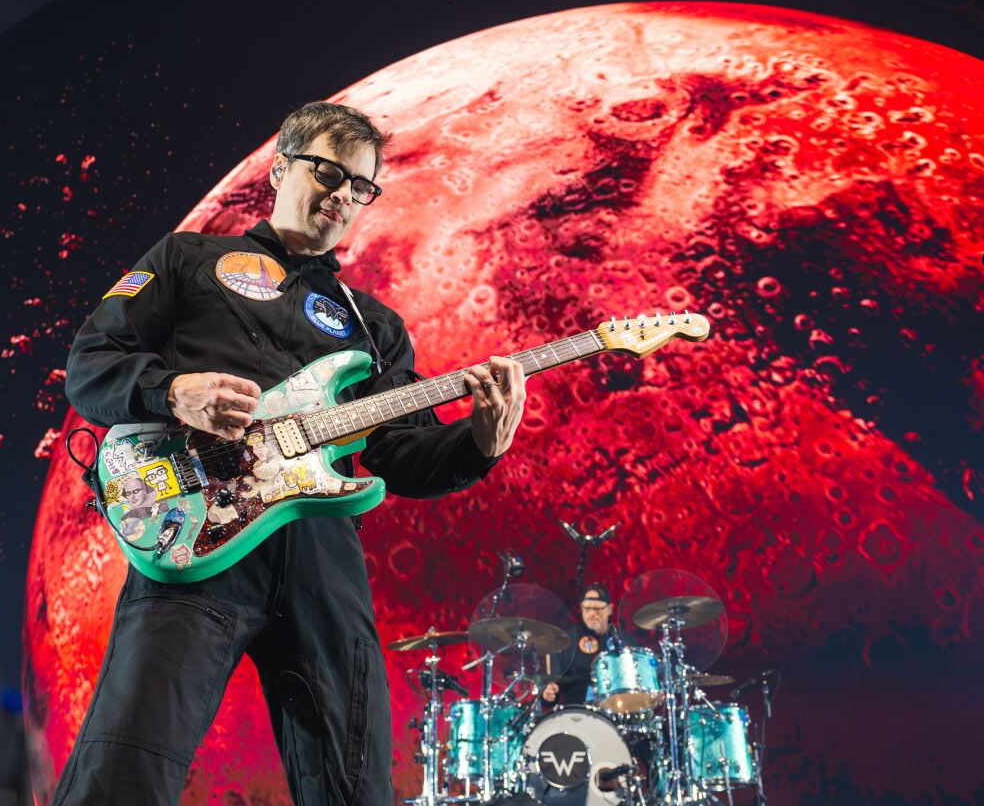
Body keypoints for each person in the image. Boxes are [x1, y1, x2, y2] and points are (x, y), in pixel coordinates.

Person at [54, 101, 527, 806]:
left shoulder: (376, 328)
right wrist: (172, 391)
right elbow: (90, 365)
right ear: (281, 167)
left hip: (321, 560)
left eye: (360, 187)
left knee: (354, 782)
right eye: (327, 173)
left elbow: (402, 456)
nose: (342, 196)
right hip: (194, 533)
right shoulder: (189, 260)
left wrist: (478, 443)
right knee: (127, 765)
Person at [541, 584, 616, 706]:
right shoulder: (566, 642)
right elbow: (550, 695)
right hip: (575, 713)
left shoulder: (620, 641)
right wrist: (548, 694)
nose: (592, 613)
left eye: (597, 609)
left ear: (610, 609)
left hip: (615, 710)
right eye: (587, 609)